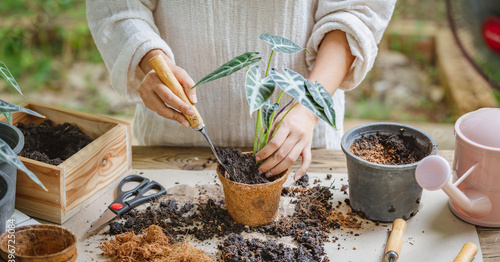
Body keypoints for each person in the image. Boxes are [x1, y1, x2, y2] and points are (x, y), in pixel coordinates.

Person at [87, 1, 396, 180]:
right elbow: (118, 6)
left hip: (299, 147)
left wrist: (308, 108)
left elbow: (356, 11)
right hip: (173, 148)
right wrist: (151, 61)